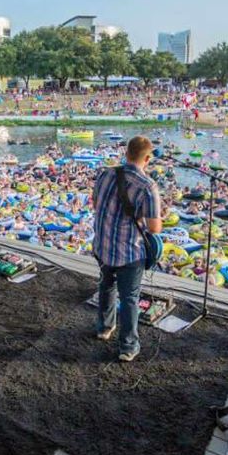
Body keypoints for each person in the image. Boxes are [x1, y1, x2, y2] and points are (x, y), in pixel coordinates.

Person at [91, 135, 162, 362]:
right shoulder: (148, 186)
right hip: (128, 251)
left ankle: (104, 328)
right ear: (148, 158)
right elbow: (155, 228)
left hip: (102, 245)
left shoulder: (105, 173)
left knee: (106, 285)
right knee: (130, 298)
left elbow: (95, 203)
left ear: (126, 152)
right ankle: (128, 347)